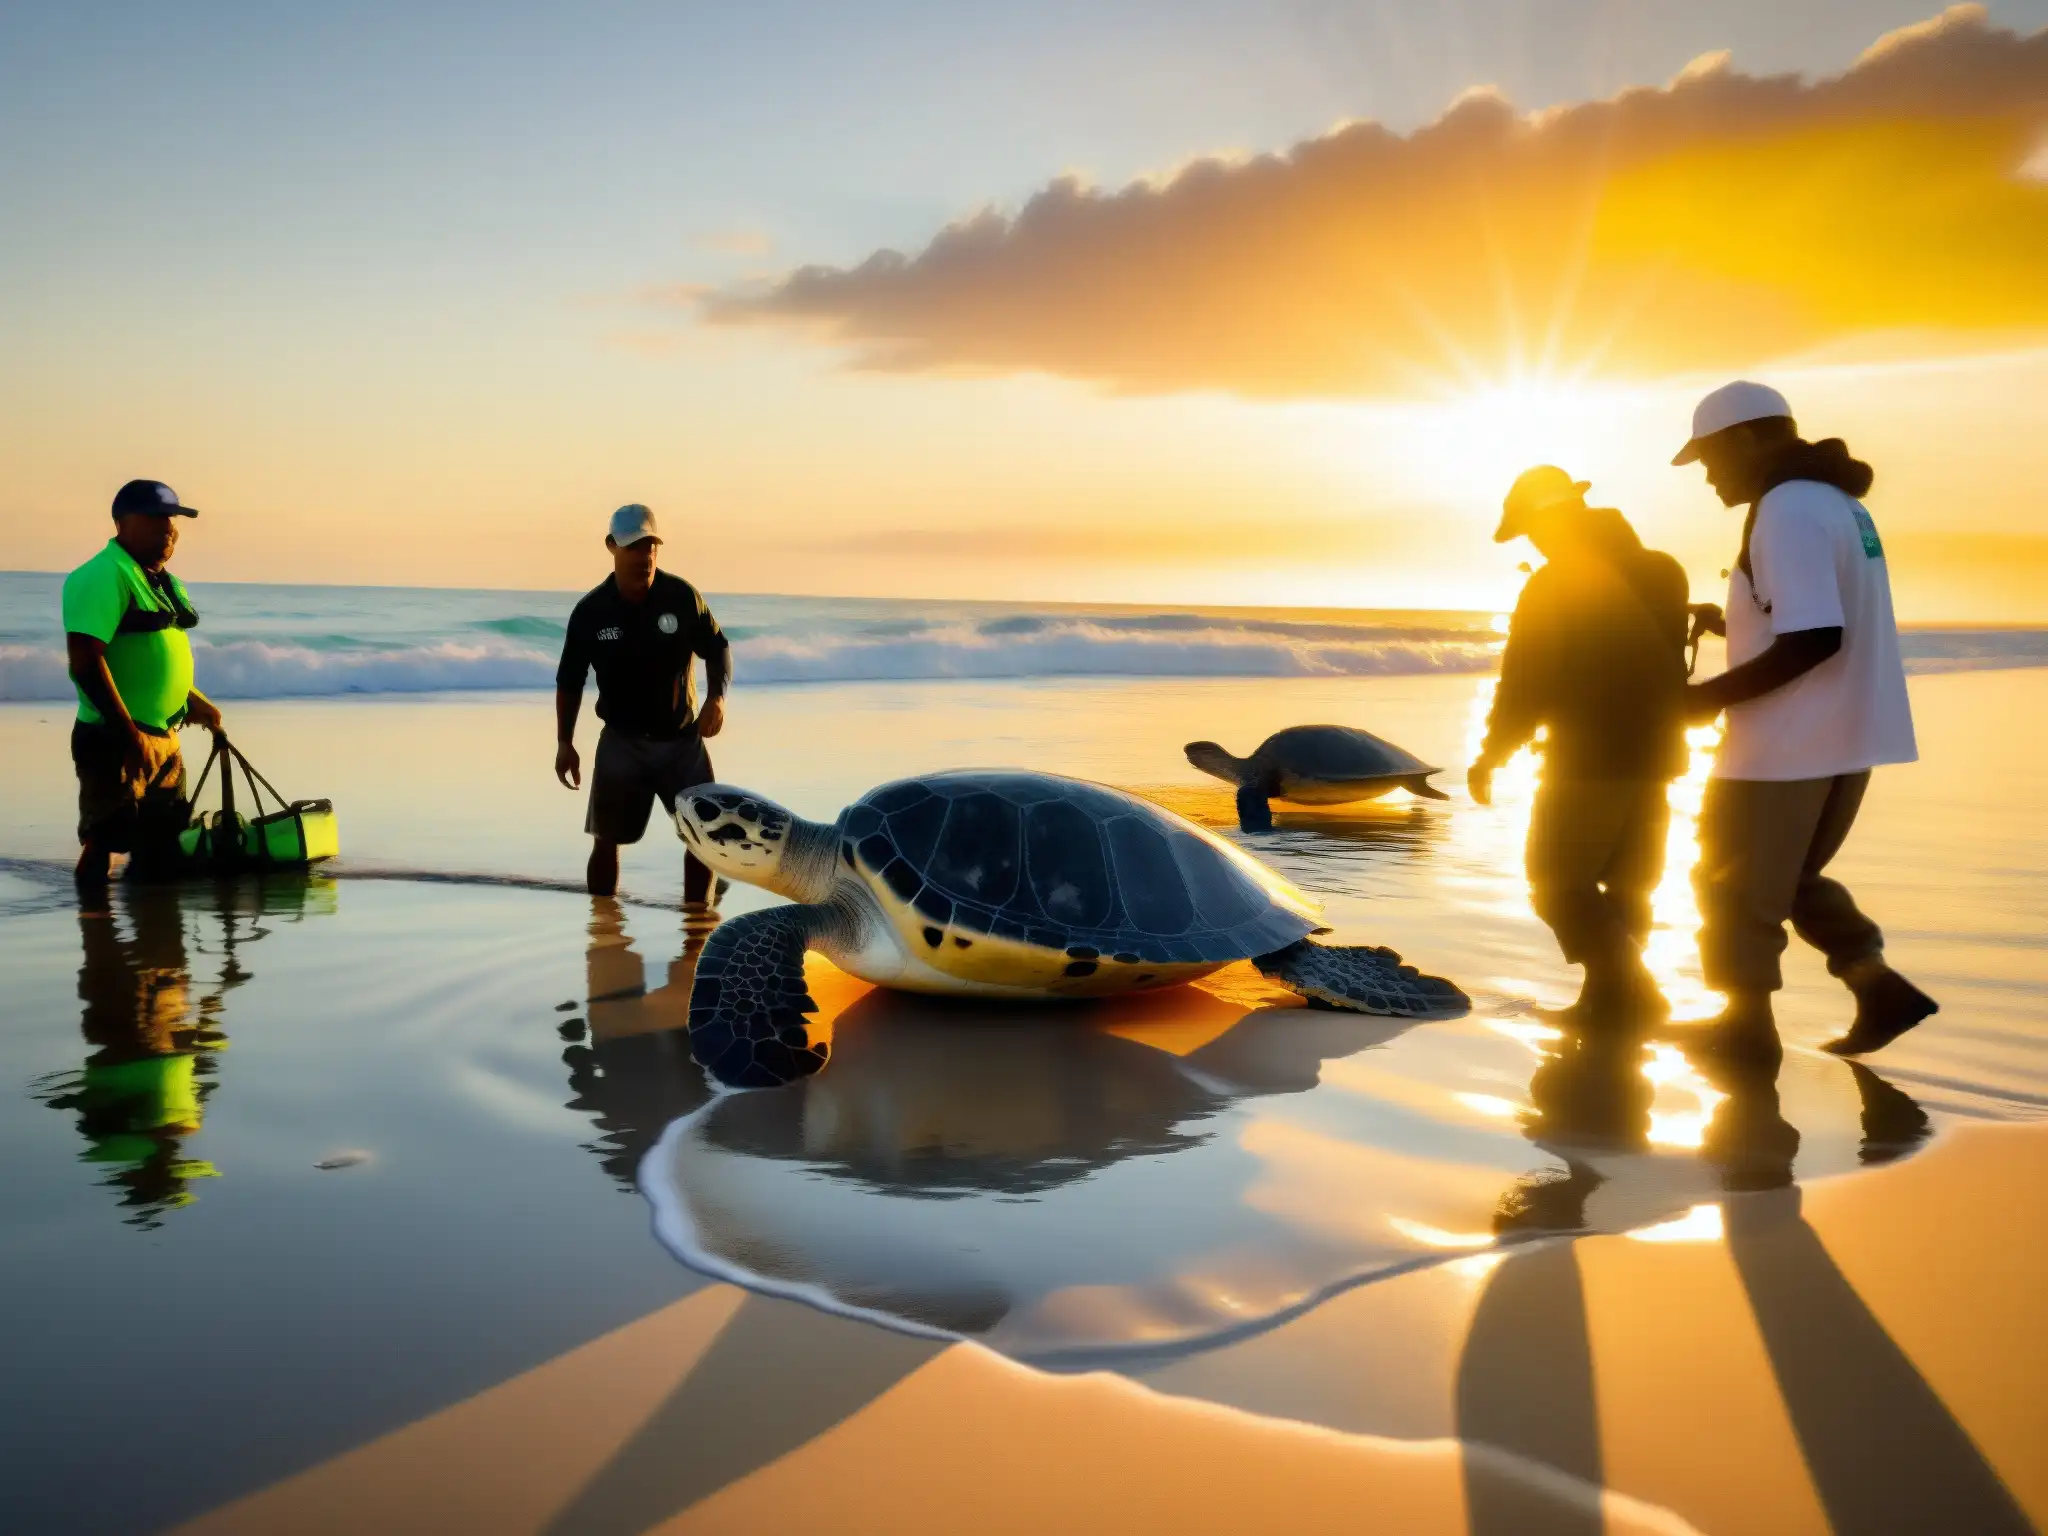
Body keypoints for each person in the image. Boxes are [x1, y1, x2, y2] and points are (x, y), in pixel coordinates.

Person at [1675, 380, 1934, 1061]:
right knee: (1785, 879)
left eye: (1707, 459)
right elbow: (1811, 613)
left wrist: (1704, 700)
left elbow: (1816, 635)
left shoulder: (1786, 509)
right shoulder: (1836, 502)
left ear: (1743, 439)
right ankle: (1878, 987)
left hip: (1788, 746)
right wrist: (1731, 619)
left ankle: (1745, 1032)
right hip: (1853, 734)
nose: (1707, 477)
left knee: (1728, 878)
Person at [1468, 465, 1690, 1021]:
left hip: (1586, 757)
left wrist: (1492, 754)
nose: (1534, 543)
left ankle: (1637, 991)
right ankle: (1608, 1001)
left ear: (1554, 519)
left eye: (1532, 530)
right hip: (1659, 753)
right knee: (1628, 884)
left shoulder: (1555, 581)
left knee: (1554, 882)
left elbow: (1525, 679)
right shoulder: (1665, 571)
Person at [555, 504, 730, 910]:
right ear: (612, 546)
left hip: (681, 742)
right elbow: (569, 681)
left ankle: (695, 925)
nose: (645, 556)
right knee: (605, 840)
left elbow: (718, 648)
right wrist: (565, 742)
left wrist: (716, 698)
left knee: (704, 836)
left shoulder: (682, 597)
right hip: (621, 742)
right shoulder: (591, 612)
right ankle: (602, 924)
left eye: (651, 545)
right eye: (634, 546)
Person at [62, 480, 226, 899]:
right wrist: (126, 734)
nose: (168, 529)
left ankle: (156, 948)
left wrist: (193, 700)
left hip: (163, 738)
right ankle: (94, 924)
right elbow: (86, 661)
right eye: (156, 519)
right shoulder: (103, 575)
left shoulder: (162, 581)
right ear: (122, 522)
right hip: (115, 736)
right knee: (106, 840)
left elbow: (152, 652)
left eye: (172, 520)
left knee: (162, 843)